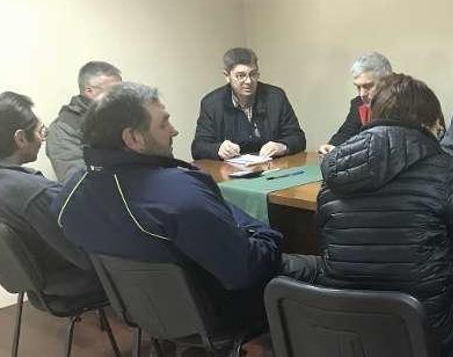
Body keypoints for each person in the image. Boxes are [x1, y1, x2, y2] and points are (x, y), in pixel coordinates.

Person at [52, 82, 315, 328]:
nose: (174, 130)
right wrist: (268, 233)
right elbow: (247, 270)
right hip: (218, 310)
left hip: (143, 312)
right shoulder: (181, 196)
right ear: (133, 138)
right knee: (321, 267)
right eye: (164, 123)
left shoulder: (69, 196)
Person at [316, 73, 453, 357]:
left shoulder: (335, 168)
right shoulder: (442, 168)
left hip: (350, 334)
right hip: (426, 337)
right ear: (428, 123)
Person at [0, 92, 102, 297]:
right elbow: (85, 255)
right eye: (41, 131)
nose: (43, 138)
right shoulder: (36, 193)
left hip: (37, 280)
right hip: (69, 278)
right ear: (20, 138)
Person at [191, 47, 306, 160]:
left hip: (272, 168)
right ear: (227, 76)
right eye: (240, 76)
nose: (248, 81)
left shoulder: (275, 97)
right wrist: (218, 149)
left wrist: (282, 147)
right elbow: (198, 147)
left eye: (253, 74)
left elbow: (298, 138)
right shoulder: (212, 103)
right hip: (230, 172)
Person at [46, 61, 121, 181]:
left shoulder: (122, 116)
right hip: (101, 195)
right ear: (90, 91)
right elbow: (76, 181)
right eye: (114, 91)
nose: (121, 96)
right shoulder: (63, 128)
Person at [317, 52, 392, 155]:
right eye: (358, 87)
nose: (362, 94)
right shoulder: (359, 104)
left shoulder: (405, 105)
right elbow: (346, 134)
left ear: (387, 82)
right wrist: (331, 147)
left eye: (368, 86)